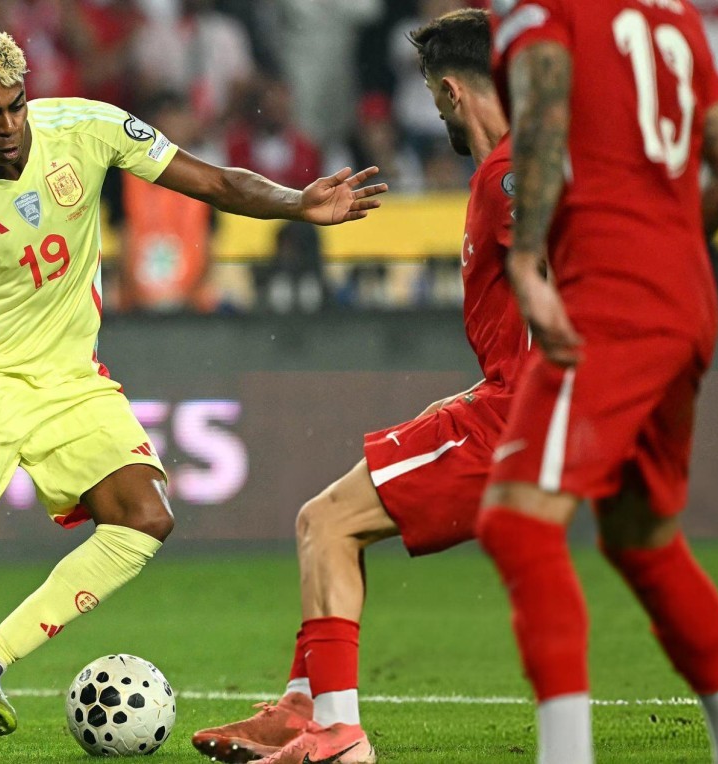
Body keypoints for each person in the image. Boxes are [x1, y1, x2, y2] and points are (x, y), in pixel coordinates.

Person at [0, 27, 386, 764]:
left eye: (15, 106)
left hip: (74, 379)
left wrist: (297, 203)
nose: (8, 125)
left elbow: (212, 181)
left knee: (146, 516)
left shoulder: (88, 128)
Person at [192, 10, 524, 764]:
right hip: (509, 399)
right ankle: (302, 707)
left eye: (433, 99)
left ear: (451, 91)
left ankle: (339, 735)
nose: (437, 115)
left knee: (328, 524)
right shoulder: (509, 171)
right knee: (326, 518)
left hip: (524, 417)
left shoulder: (512, 175)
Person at [483, 2, 718, 764]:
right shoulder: (675, 15)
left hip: (611, 297)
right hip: (688, 297)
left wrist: (527, 257)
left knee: (518, 523)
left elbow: (544, 111)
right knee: (642, 539)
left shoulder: (542, 9)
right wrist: (664, 250)